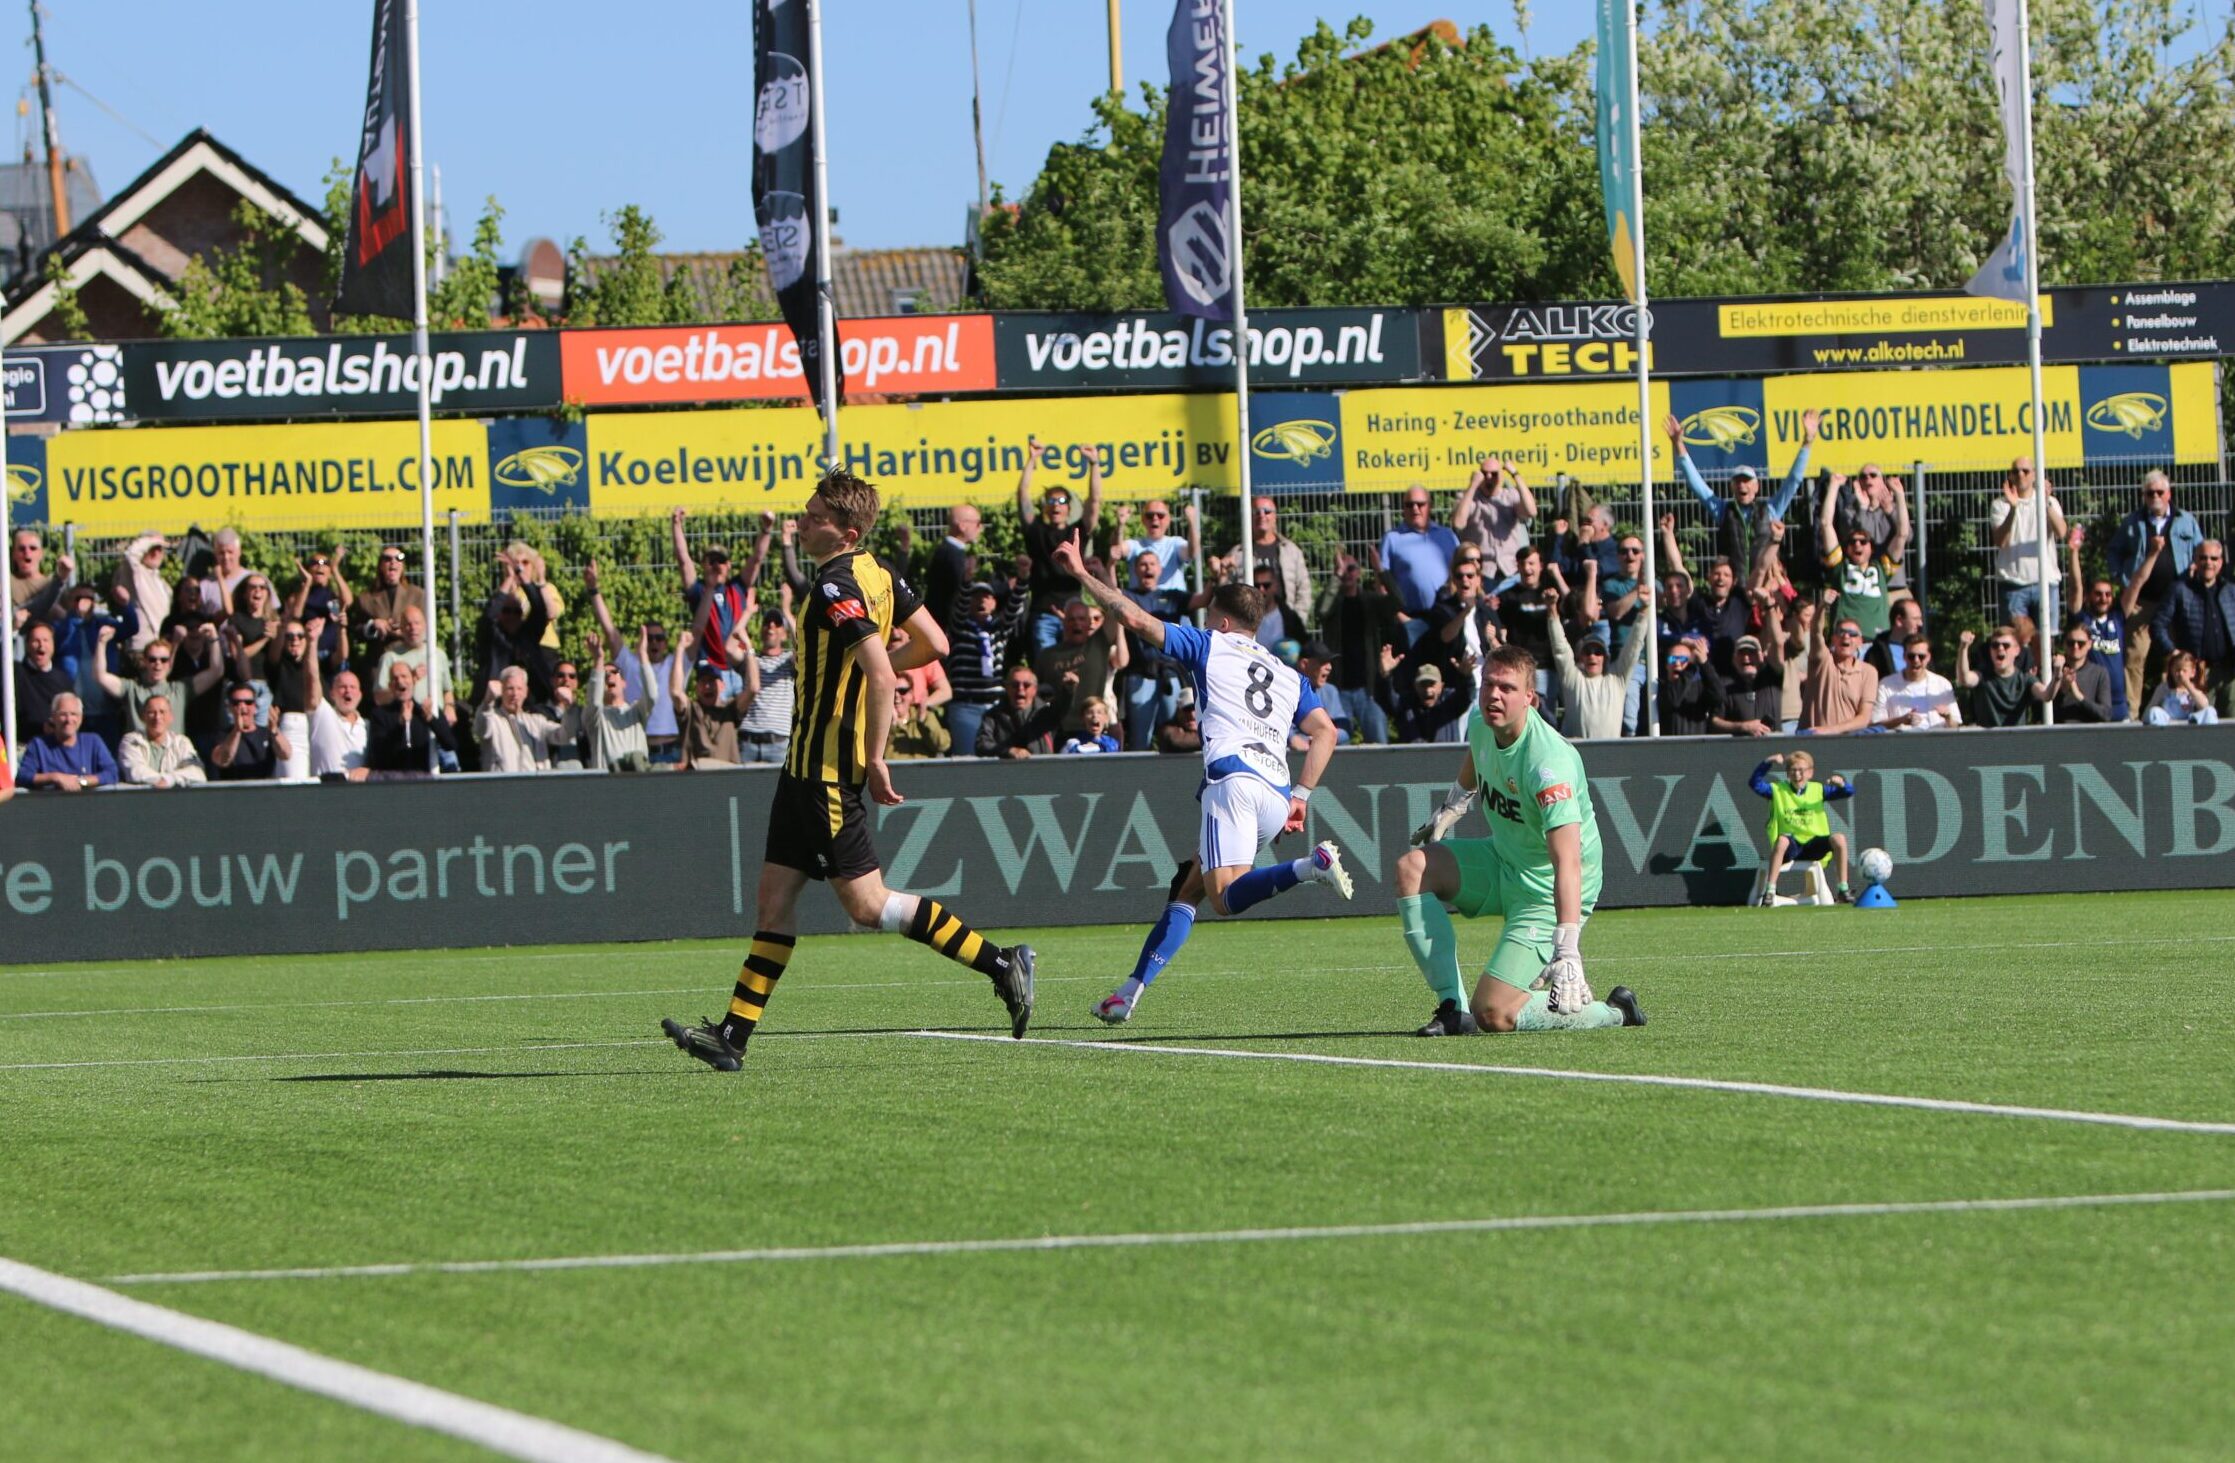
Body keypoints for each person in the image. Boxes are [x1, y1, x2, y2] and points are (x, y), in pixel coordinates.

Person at [661, 470, 1036, 1072]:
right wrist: (877, 665)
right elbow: (934, 643)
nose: (802, 521)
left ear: (847, 530)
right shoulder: (879, 574)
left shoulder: (838, 585)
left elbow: (886, 676)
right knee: (772, 902)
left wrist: (877, 752)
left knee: (867, 906)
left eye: (813, 515)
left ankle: (1001, 962)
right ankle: (731, 1037)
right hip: (801, 771)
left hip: (826, 772)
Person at [1050, 539, 1348, 1025]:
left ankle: (1309, 869)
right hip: (1274, 794)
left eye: (1210, 616)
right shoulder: (1290, 676)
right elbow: (1326, 733)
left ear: (1225, 622)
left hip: (1232, 784)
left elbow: (1135, 619)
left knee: (1224, 898)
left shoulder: (1210, 645)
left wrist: (1084, 576)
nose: (1205, 623)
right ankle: (1128, 993)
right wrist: (1301, 797)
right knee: (1188, 890)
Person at [1394, 645, 1645, 1036]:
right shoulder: (1481, 722)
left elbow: (1569, 863)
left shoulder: (1548, 764)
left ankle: (1614, 1012)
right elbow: (1477, 757)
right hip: (1504, 861)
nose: (1494, 695)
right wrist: (1452, 807)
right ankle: (1453, 1009)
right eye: (1489, 684)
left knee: (1494, 1014)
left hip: (1547, 892)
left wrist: (1568, 946)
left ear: (1531, 697)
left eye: (1507, 688)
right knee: (1413, 868)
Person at [1667, 409, 1819, 578]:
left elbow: (1794, 481)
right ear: (1732, 486)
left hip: (1763, 584)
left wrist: (1808, 442)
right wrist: (1678, 445)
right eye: (1738, 481)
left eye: (1746, 481)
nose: (1742, 485)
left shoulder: (1770, 510)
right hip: (1735, 588)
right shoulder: (1724, 510)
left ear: (1756, 486)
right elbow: (1696, 484)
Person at [2107, 470, 2203, 714]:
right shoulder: (2132, 523)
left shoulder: (2186, 521)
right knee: (2134, 658)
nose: (2155, 497)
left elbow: (2200, 549)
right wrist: (2120, 577)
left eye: (2160, 492)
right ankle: (2131, 714)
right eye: (2150, 493)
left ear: (2169, 494)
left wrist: (2196, 566)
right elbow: (2114, 552)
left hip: (2175, 603)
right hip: (2142, 602)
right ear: (2144, 496)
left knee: (2174, 658)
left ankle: (2173, 710)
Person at [1016, 436, 1103, 652]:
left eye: (1061, 501)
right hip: (1043, 615)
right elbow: (1023, 495)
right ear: (1045, 507)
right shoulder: (1036, 530)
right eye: (1051, 501)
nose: (1056, 506)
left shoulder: (1076, 531)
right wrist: (1032, 459)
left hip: (1074, 615)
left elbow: (1094, 501)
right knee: (1047, 672)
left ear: (1068, 507)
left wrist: (1094, 464)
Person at [1315, 552, 1401, 744]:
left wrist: (1381, 571)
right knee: (1337, 744)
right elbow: (1321, 611)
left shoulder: (1370, 601)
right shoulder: (1333, 603)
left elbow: (1398, 603)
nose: (1347, 574)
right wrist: (1336, 577)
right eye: (1342, 569)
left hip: (1368, 690)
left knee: (1380, 746)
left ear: (1360, 572)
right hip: (1339, 689)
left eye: (1351, 568)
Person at [1545, 580, 1647, 741]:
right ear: (1581, 657)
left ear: (1605, 658)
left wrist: (1644, 610)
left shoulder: (1617, 679)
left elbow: (1634, 646)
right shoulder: (1573, 680)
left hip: (1610, 759)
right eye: (1587, 652)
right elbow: (1560, 647)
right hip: (1577, 756)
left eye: (1598, 652)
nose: (1592, 656)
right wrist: (1552, 609)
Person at [1750, 751, 1856, 903]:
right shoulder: (1777, 790)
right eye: (1793, 770)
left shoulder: (1818, 790)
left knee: (1839, 838)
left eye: (1802, 770)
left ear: (1810, 773)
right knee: (1782, 840)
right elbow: (1754, 783)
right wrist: (1767, 762)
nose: (1797, 775)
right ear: (1787, 773)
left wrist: (1842, 784)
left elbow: (1849, 792)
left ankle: (1843, 889)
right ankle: (1770, 892)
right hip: (1790, 847)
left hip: (1812, 846)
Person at [945, 573, 1029, 756]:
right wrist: (966, 579)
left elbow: (1013, 609)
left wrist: (1023, 579)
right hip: (965, 707)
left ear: (994, 603)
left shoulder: (998, 630)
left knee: (998, 757)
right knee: (967, 762)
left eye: (987, 596)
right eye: (976, 596)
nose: (981, 600)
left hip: (995, 707)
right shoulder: (959, 628)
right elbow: (959, 610)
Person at [2151, 539, 2235, 715]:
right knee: (2201, 728)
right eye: (2203, 558)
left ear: (2221, 562)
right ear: (2195, 560)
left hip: (2229, 672)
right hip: (2195, 675)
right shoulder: (2180, 590)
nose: (2209, 563)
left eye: (2214, 558)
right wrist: (2173, 652)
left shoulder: (2230, 591)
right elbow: (2157, 624)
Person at [1817, 476, 1903, 643]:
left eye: (1863, 542)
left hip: (1877, 641)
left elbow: (1902, 534)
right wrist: (1834, 485)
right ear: (1846, 548)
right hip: (1845, 640)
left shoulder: (1881, 568)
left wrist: (1899, 495)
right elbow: (1826, 523)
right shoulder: (1839, 568)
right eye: (1852, 542)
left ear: (1871, 547)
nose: (1858, 545)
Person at [1033, 596, 1128, 739]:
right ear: (1064, 622)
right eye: (1071, 619)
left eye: (1081, 619)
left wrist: (1108, 581)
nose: (1076, 623)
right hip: (1057, 730)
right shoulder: (1047, 655)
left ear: (1089, 623)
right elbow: (1035, 692)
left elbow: (1114, 609)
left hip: (1093, 728)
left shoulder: (1098, 645)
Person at [1990, 457, 2066, 626]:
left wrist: (2045, 502)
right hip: (2013, 585)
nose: (2021, 475)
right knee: (2014, 643)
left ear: (2034, 475)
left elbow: (2061, 532)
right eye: (2016, 471)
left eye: (2025, 471)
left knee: (2046, 643)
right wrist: (2013, 508)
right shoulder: (2000, 505)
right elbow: (2001, 541)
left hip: (2046, 584)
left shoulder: (2050, 502)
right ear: (2010, 476)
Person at [2065, 531, 2131, 722]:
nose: (2103, 598)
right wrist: (2073, 552)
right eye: (2098, 594)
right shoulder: (2082, 620)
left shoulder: (2118, 618)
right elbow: (2076, 588)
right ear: (2089, 596)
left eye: (2108, 594)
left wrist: (2150, 552)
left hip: (2119, 704)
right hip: (2091, 702)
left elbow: (2136, 583)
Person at [668, 632, 755, 770]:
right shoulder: (691, 709)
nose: (707, 686)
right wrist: (680, 648)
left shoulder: (731, 709)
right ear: (696, 687)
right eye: (703, 682)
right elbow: (676, 692)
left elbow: (753, 688)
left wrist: (749, 648)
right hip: (695, 780)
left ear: (722, 685)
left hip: (727, 780)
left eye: (712, 681)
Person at [1378, 486, 1460, 632]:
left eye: (1420, 504)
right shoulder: (1392, 539)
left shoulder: (1448, 536)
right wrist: (1401, 617)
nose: (1415, 509)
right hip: (1411, 618)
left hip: (1447, 616)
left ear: (1430, 506)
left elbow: (1461, 571)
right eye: (1409, 505)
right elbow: (1381, 584)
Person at [1450, 457, 1536, 585]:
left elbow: (1532, 511)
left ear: (1501, 476)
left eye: (1494, 474)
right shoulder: (1468, 498)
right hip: (1481, 572)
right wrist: (1473, 485)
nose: (1489, 478)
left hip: (1510, 570)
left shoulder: (1510, 496)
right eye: (1484, 474)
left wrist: (1515, 474)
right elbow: (1458, 523)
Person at [1228, 496, 1313, 621]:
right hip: (1250, 626)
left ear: (1275, 517)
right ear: (1249, 517)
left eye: (1267, 511)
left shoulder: (1291, 551)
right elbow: (1227, 593)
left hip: (1285, 625)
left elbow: (1304, 589)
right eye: (1256, 512)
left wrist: (1296, 621)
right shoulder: (1237, 554)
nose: (1262, 515)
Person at [1800, 602, 1880, 735]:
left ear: (1860, 641)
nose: (1846, 636)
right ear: (1833, 639)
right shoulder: (1822, 661)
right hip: (1812, 739)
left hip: (1848, 742)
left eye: (1852, 634)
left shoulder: (1869, 672)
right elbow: (1815, 633)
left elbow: (1864, 718)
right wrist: (1822, 607)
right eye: (1840, 632)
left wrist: (1830, 730)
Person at [584, 627, 657, 772]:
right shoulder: (596, 717)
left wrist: (643, 655)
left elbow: (652, 695)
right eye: (604, 674)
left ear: (624, 683)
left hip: (638, 783)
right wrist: (599, 659)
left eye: (614, 672)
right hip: (606, 787)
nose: (609, 676)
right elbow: (594, 701)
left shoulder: (636, 711)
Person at [364, 661, 457, 773]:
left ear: (414, 680)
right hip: (392, 781)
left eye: (404, 676)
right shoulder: (380, 715)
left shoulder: (426, 711)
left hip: (422, 780)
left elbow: (450, 744)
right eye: (395, 678)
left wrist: (430, 719)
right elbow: (378, 755)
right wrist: (400, 724)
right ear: (390, 686)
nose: (400, 681)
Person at [19, 693, 120, 790]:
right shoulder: (38, 745)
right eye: (63, 714)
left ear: (80, 718)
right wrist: (56, 777)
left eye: (73, 714)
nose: (68, 719)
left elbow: (112, 773)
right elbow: (23, 776)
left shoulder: (93, 742)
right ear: (53, 717)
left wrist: (80, 781)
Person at [474, 666, 564, 773]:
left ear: (526, 692)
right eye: (510, 688)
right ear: (501, 691)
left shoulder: (537, 722)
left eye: (519, 689)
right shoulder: (493, 719)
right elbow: (481, 728)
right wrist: (487, 702)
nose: (515, 694)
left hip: (537, 787)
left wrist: (570, 709)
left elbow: (564, 735)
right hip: (503, 787)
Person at [349, 544, 426, 662]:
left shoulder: (417, 595)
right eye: (387, 558)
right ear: (380, 565)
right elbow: (356, 630)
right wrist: (373, 625)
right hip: (378, 661)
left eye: (399, 558)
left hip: (410, 662)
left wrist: (405, 631)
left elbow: (428, 630)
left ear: (402, 566)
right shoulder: (366, 598)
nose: (393, 562)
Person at [284, 547, 353, 678]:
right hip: (309, 653)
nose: (320, 567)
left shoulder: (333, 596)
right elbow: (297, 613)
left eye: (324, 564)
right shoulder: (301, 595)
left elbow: (348, 601)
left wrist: (335, 570)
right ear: (308, 569)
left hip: (333, 655)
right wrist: (307, 583)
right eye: (315, 563)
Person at [1870, 635, 1961, 731]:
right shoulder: (1886, 685)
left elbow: (1955, 726)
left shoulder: (1942, 684)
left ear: (1928, 657)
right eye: (1911, 656)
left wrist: (1948, 717)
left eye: (1921, 656)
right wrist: (1901, 720)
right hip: (1902, 742)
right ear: (1904, 656)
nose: (1916, 660)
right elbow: (1875, 724)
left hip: (1936, 741)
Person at [1955, 627, 2039, 729]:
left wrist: (2057, 676)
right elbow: (1965, 679)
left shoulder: (2024, 679)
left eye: (2006, 645)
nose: (2000, 648)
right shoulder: (1982, 676)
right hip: (1987, 742)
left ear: (2017, 650)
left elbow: (2047, 695)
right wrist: (1963, 648)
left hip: (2016, 741)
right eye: (1995, 645)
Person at [975, 664, 1066, 758]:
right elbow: (982, 745)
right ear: (1007, 688)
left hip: (1041, 770)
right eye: (1015, 685)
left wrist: (1069, 689)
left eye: (1026, 685)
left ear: (1035, 689)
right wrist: (1008, 751)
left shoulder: (1047, 714)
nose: (1020, 689)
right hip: (1006, 770)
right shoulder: (992, 716)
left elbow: (1064, 706)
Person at [117, 693, 207, 788]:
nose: (157, 717)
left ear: (171, 717)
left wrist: (170, 779)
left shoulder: (181, 742)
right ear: (143, 717)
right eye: (151, 712)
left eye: (162, 712)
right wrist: (167, 780)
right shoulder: (131, 741)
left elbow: (197, 773)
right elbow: (135, 773)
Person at [306, 659, 372, 780]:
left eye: (353, 687)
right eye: (342, 687)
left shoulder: (368, 726)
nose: (348, 691)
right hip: (327, 789)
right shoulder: (323, 715)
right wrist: (312, 643)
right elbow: (313, 678)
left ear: (360, 695)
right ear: (332, 693)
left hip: (358, 792)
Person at [1116, 497, 1198, 595]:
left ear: (1168, 520)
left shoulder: (1175, 543)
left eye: (1160, 515)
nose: (1155, 518)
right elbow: (1117, 550)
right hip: (1140, 604)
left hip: (1172, 605)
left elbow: (1192, 553)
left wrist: (1192, 523)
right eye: (1150, 515)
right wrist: (1120, 525)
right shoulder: (1135, 544)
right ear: (1143, 520)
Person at [12, 622, 74, 747]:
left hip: (54, 747)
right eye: (36, 641)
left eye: (46, 640)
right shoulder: (15, 673)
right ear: (28, 646)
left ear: (53, 645)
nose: (41, 646)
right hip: (22, 745)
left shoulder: (63, 679)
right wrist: (13, 629)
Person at [209, 684, 289, 781]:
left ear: (255, 707)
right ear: (229, 707)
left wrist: (274, 730)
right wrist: (237, 731)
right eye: (236, 703)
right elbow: (222, 760)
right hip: (233, 792)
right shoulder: (222, 735)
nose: (242, 707)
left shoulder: (266, 733)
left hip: (264, 791)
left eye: (248, 702)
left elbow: (286, 754)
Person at [2042, 623, 2115, 723]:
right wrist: (2062, 690)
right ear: (2064, 644)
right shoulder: (2052, 671)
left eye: (2081, 643)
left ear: (2089, 644)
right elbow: (2041, 712)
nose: (2075, 647)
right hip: (2059, 733)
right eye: (2070, 643)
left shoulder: (2099, 673)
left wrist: (2078, 696)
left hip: (2089, 734)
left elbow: (2105, 714)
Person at [925, 503, 983, 630]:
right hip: (948, 626)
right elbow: (957, 592)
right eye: (977, 523)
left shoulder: (944, 550)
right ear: (962, 526)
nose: (980, 528)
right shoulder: (953, 554)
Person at [1657, 638, 1727, 736]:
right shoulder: (1658, 687)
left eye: (1683, 659)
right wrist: (1690, 668)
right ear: (1666, 664)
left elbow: (1719, 696)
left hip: (1696, 748)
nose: (1677, 664)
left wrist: (1704, 662)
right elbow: (1673, 699)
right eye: (1673, 659)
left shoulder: (1699, 687)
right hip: (1667, 749)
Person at [1718, 634, 1783, 737]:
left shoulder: (1773, 679)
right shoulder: (1726, 689)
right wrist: (1744, 726)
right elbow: (1714, 722)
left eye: (1752, 653)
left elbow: (1778, 645)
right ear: (1734, 659)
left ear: (1761, 657)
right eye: (1741, 653)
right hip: (1741, 750)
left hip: (1775, 748)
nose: (1746, 658)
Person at [10, 526, 72, 631]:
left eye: (33, 548)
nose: (27, 553)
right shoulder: (6, 583)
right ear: (14, 555)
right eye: (21, 549)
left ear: (41, 554)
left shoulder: (53, 584)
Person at [2144, 651, 2220, 725]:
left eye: (2184, 671)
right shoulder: (2164, 688)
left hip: (2190, 724)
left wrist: (2188, 686)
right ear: (2171, 671)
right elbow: (2147, 713)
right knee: (2154, 711)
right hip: (2168, 723)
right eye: (2177, 670)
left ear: (2192, 673)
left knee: (2210, 711)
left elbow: (2204, 706)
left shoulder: (2194, 689)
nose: (2180, 674)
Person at [1862, 598, 1927, 681]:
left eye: (1920, 619)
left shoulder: (1923, 648)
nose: (1920, 623)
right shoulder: (1877, 653)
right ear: (1899, 620)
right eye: (1915, 619)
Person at [887, 685, 953, 759]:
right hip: (894, 769)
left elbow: (943, 745)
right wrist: (891, 726)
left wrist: (923, 721)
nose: (896, 695)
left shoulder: (925, 716)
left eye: (903, 691)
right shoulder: (880, 721)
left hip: (925, 769)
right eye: (892, 692)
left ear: (911, 694)